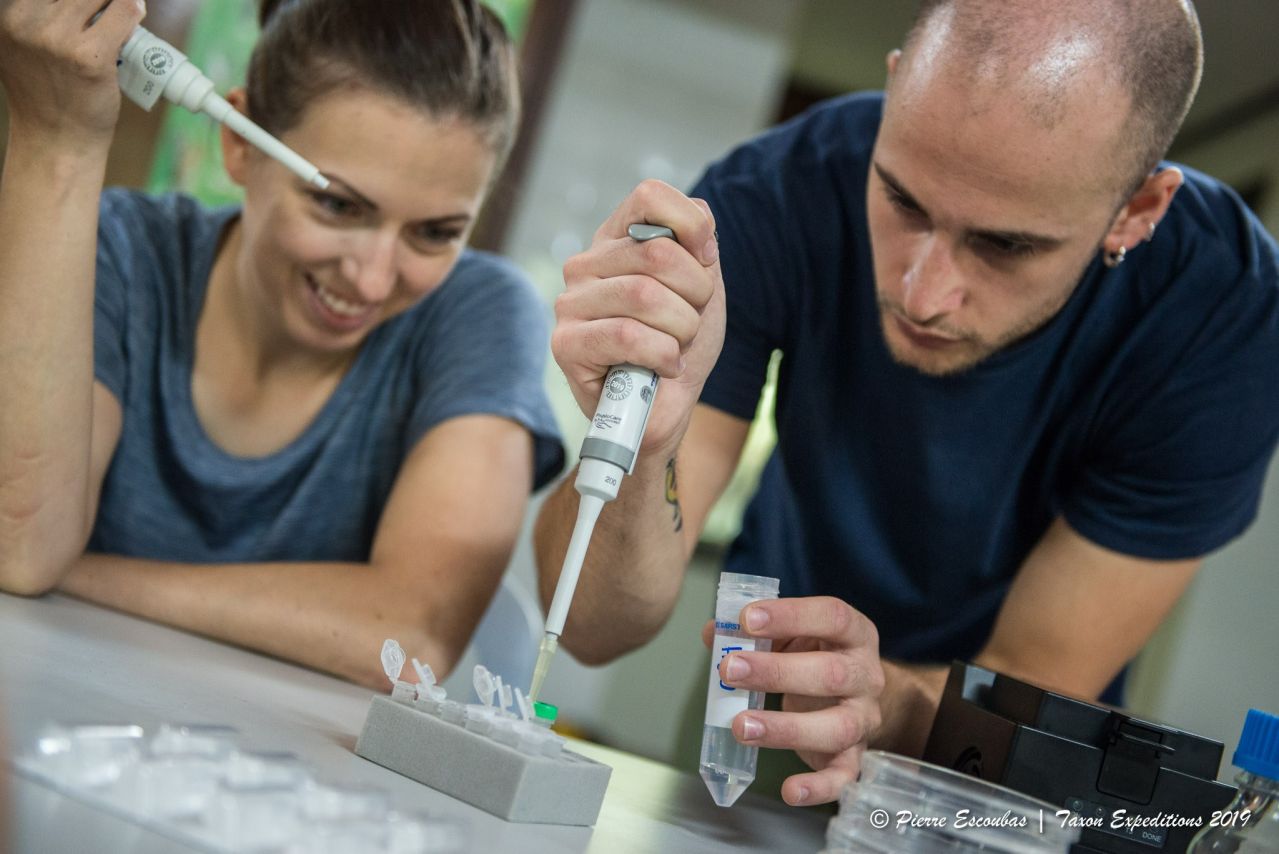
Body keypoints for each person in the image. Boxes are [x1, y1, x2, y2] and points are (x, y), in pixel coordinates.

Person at [536, 0, 1279, 806]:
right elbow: (589, 628)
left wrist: (881, 699)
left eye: (1004, 245)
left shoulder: (1224, 312)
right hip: (769, 710)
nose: (922, 294)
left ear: (1137, 210)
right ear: (894, 93)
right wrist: (649, 452)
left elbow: (1023, 693)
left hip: (1003, 765)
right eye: (902, 202)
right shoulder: (778, 191)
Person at [0, 0, 563, 688]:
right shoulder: (117, 252)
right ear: (239, 144)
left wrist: (77, 573)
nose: (374, 277)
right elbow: (22, 550)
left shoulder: (478, 312)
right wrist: (56, 137)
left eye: (436, 233)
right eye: (337, 205)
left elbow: (409, 638)